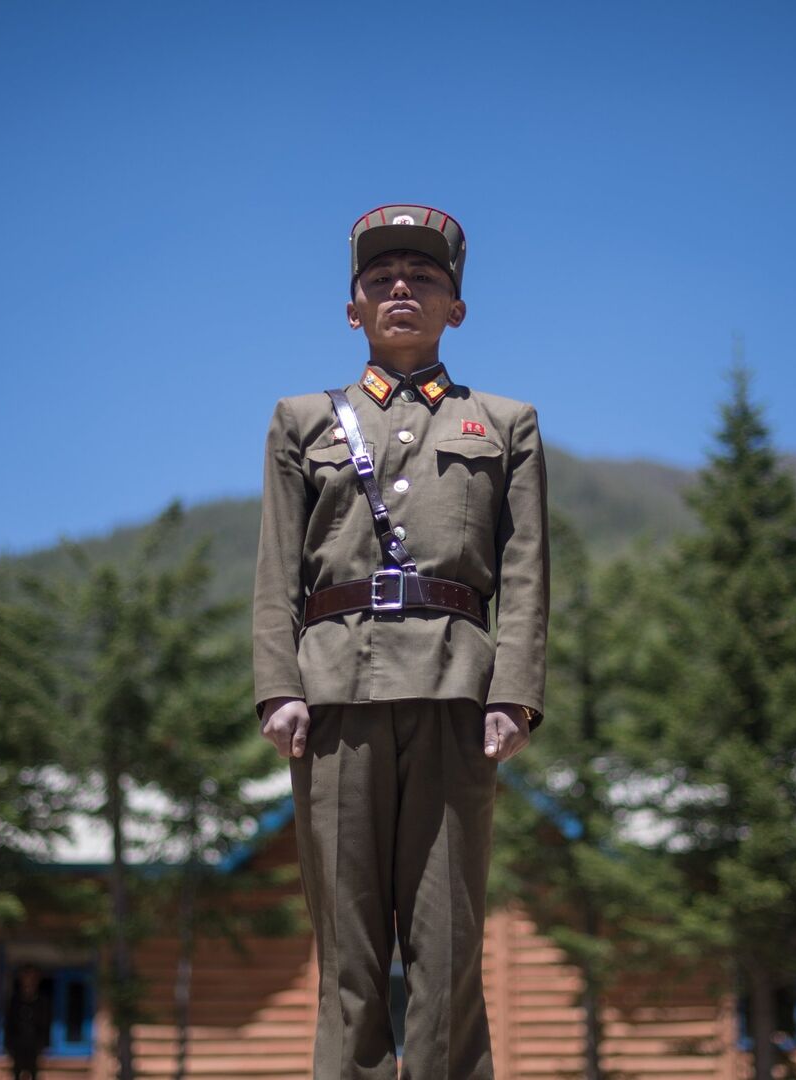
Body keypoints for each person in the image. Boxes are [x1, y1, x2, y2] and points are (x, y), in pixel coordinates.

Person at [252, 205, 549, 1080]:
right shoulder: (302, 421)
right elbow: (277, 568)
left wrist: (515, 692)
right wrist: (278, 686)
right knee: (349, 957)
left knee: (447, 948)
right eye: (380, 278)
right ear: (353, 310)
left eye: (422, 277)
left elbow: (526, 571)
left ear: (456, 307)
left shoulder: (505, 423)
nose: (400, 290)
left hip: (458, 695)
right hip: (334, 695)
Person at [2, 964, 52, 1080]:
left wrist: (44, 1045)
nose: (28, 982)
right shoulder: (14, 1002)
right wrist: (8, 1045)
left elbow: (46, 1025)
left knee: (33, 1072)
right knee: (17, 1072)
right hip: (18, 1045)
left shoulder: (42, 1002)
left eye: (32, 978)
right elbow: (8, 1024)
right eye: (26, 977)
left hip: (34, 1046)